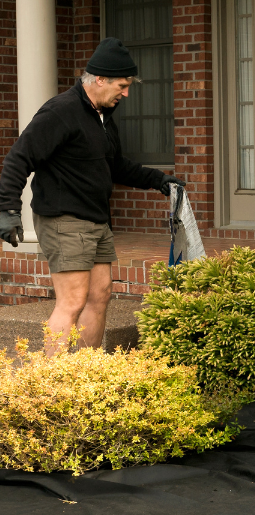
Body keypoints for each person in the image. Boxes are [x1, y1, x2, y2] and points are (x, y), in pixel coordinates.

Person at [0, 37, 185, 354]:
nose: (125, 93)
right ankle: (55, 384)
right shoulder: (60, 112)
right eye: (122, 85)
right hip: (64, 220)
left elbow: (116, 166)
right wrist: (8, 210)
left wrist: (160, 180)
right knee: (71, 300)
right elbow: (19, 158)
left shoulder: (103, 119)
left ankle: (88, 371)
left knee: (100, 295)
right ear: (100, 79)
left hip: (97, 219)